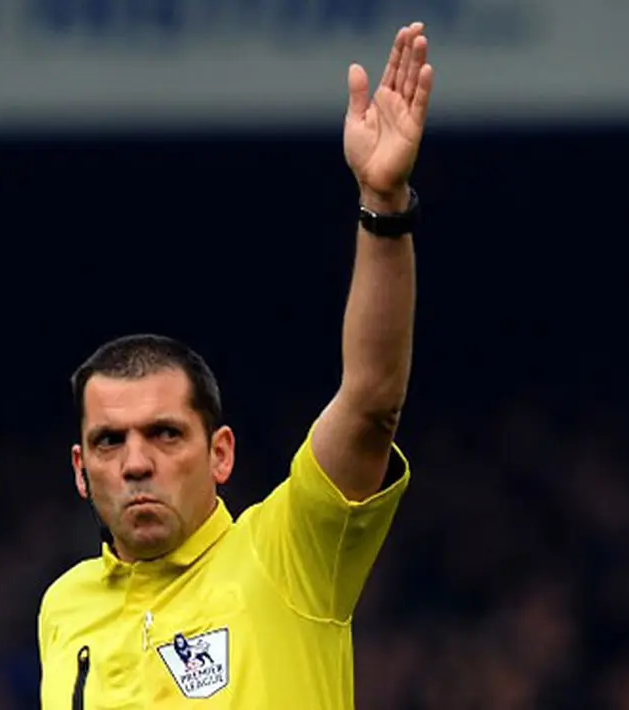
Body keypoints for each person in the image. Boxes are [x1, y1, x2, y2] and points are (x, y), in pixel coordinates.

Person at [37, 22, 434, 709]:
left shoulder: (287, 555)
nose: (135, 462)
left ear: (219, 453)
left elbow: (371, 403)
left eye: (164, 433)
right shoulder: (62, 608)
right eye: (110, 440)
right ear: (81, 470)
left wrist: (384, 207)